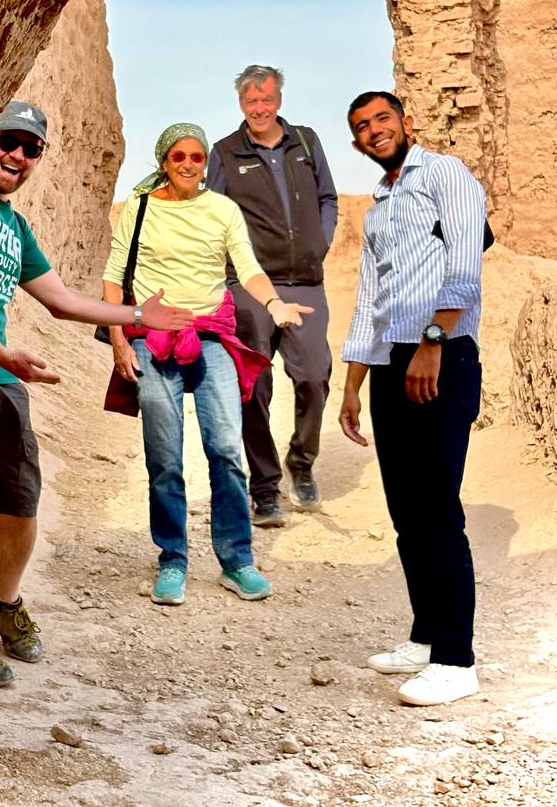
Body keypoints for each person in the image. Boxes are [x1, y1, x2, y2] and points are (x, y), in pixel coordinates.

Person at [0, 100, 193, 687]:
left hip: (0, 381)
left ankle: (3, 602)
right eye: (9, 141)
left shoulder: (14, 225)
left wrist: (137, 314)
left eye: (32, 149)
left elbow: (61, 300)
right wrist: (3, 354)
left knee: (22, 503)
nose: (18, 156)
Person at [103, 123, 312, 608]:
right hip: (153, 343)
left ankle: (237, 561)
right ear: (164, 160)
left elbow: (248, 266)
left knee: (225, 450)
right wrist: (119, 340)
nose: (189, 164)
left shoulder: (223, 209)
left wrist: (274, 303)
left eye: (197, 156)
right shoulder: (138, 210)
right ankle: (172, 560)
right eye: (178, 155)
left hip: (212, 338)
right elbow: (114, 280)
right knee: (164, 458)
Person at [338, 91, 486, 707]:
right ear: (356, 143)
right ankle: (426, 638)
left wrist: (432, 339)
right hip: (394, 361)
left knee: (436, 508)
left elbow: (464, 265)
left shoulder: (445, 173)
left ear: (405, 123)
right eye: (362, 127)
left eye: (382, 119)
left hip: (442, 357)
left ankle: (456, 659)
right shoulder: (377, 209)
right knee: (406, 511)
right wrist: (351, 385)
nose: (374, 131)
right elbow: (371, 301)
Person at [207, 65, 338, 525]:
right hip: (249, 286)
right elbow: (214, 213)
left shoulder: (305, 142)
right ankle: (264, 488)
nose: (259, 109)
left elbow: (328, 198)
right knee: (254, 386)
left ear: (278, 99)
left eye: (266, 100)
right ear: (241, 104)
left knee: (314, 376)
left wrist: (320, 241)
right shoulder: (225, 152)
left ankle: (300, 463)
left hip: (305, 282)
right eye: (250, 102)